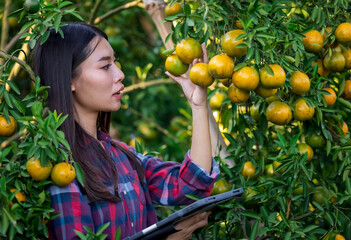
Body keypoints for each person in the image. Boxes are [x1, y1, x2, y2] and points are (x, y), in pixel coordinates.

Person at [32, 22, 219, 239]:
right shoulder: (58, 167)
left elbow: (190, 186)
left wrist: (199, 106)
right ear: (69, 79)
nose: (120, 74)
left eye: (116, 63)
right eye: (105, 66)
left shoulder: (122, 157)